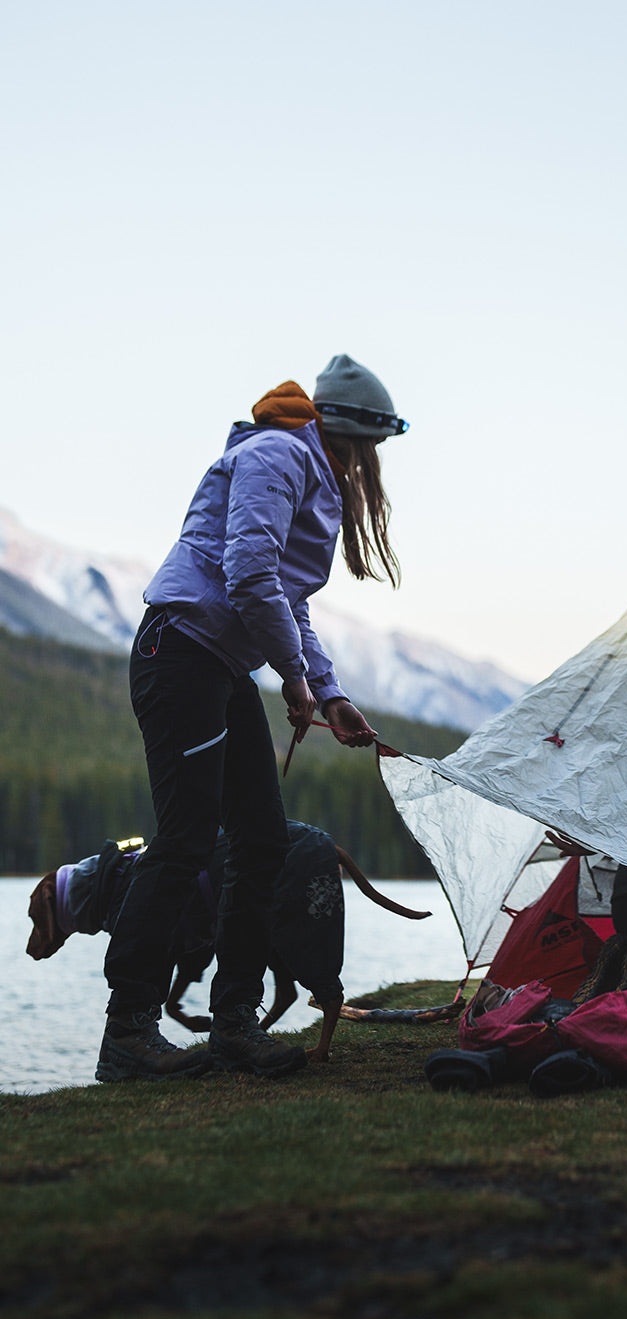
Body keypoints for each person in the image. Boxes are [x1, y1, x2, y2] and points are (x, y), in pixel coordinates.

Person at [96, 354, 407, 1082]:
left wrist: (326, 692)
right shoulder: (277, 455)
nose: (375, 469)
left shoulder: (308, 469)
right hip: (181, 653)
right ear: (352, 436)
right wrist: (293, 677)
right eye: (375, 451)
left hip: (222, 665)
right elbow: (248, 573)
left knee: (260, 839)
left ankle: (233, 1022)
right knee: (184, 840)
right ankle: (128, 1031)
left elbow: (287, 598)